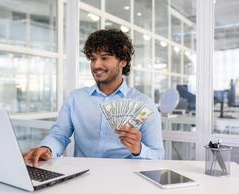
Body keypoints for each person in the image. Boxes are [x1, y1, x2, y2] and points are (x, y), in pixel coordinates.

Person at [24, 29, 164, 167]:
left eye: (104, 58)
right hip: (81, 177)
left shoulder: (144, 104)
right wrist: (48, 148)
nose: (96, 65)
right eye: (93, 59)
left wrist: (138, 149)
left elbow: (158, 156)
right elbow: (59, 135)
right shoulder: (75, 99)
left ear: (123, 61)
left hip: (124, 180)